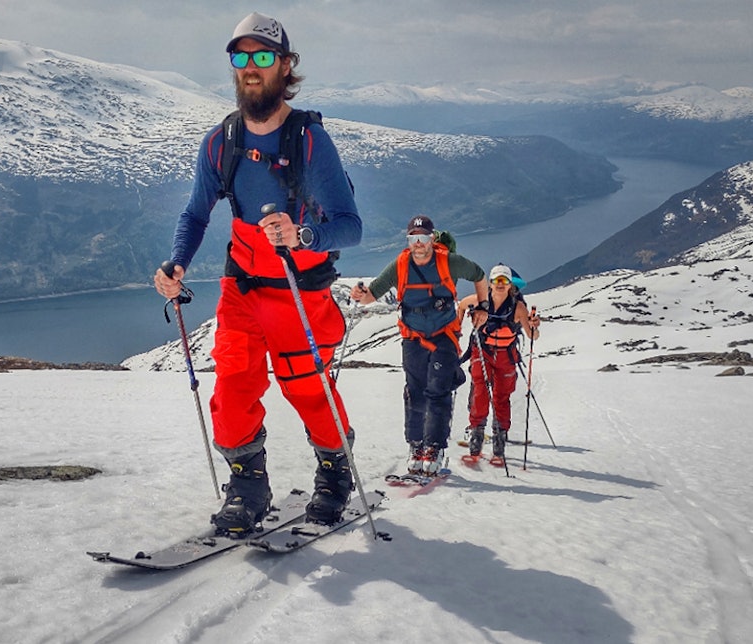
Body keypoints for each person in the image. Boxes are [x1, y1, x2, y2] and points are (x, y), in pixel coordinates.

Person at [153, 12, 362, 533]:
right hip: (242, 288)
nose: (251, 66)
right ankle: (248, 487)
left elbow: (349, 226)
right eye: (241, 56)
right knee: (232, 388)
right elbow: (195, 215)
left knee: (307, 388)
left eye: (263, 56)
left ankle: (335, 475)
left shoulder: (308, 141)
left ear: (285, 66)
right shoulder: (219, 142)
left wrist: (302, 235)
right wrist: (177, 263)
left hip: (299, 289)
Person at [351, 216, 488, 475]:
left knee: (438, 390)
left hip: (443, 335)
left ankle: (433, 447)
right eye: (413, 238)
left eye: (423, 237)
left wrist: (483, 306)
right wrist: (360, 294)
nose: (418, 243)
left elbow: (479, 275)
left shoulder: (450, 262)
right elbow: (372, 294)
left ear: (431, 239)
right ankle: (416, 445)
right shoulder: (400, 265)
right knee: (414, 391)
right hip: (412, 336)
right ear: (408, 240)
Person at [456, 264, 541, 460]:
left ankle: (499, 435)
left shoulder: (518, 307)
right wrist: (455, 331)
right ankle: (477, 432)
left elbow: (532, 335)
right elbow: (461, 306)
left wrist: (534, 326)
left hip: (505, 355)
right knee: (480, 390)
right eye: (496, 280)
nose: (500, 284)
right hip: (482, 351)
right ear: (490, 283)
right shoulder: (478, 300)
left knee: (502, 395)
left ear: (510, 284)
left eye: (504, 280)